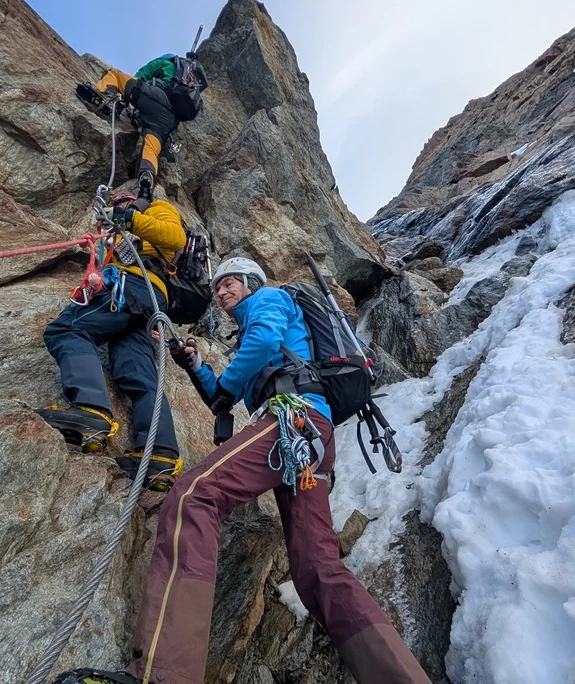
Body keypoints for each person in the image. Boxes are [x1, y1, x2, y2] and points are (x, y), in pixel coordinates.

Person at [52, 258, 430, 684]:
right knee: (318, 568)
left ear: (250, 283)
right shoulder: (253, 331)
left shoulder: (270, 299)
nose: (221, 292)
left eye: (229, 283)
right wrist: (195, 364)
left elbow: (263, 345)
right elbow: (223, 394)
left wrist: (229, 385)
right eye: (217, 287)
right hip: (310, 441)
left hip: (291, 419)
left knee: (194, 496)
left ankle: (163, 675)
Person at [36, 190, 186, 492]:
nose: (114, 209)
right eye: (113, 206)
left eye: (121, 203)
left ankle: (91, 410)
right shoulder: (117, 239)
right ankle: (160, 454)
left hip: (133, 285)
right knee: (137, 372)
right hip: (146, 302)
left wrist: (130, 218)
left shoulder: (157, 209)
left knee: (66, 330)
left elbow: (175, 238)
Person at [86, 54, 193, 202]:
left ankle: (104, 96)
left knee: (115, 75)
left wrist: (126, 97)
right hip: (167, 120)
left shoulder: (164, 63)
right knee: (151, 148)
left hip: (156, 98)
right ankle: (146, 177)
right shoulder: (184, 87)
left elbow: (141, 76)